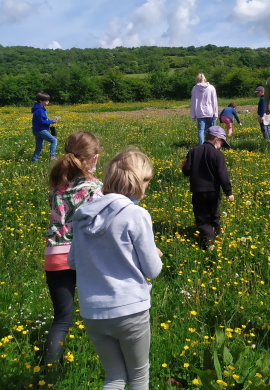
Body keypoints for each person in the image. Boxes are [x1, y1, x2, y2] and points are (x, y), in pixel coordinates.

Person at [68, 147, 163, 390]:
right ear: (138, 182)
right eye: (147, 182)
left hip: (92, 313)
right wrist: (155, 253)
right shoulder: (136, 215)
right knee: (139, 376)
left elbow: (73, 262)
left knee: (114, 377)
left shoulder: (82, 216)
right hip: (130, 310)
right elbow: (152, 269)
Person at [44, 131, 102, 365]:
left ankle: (48, 371)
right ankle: (103, 361)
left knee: (61, 319)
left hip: (54, 257)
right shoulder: (95, 188)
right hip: (84, 256)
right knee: (98, 310)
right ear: (94, 158)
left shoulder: (56, 188)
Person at [181, 126, 234, 248]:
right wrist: (228, 192)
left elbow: (185, 169)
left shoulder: (193, 151)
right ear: (216, 139)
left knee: (202, 217)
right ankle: (216, 236)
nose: (221, 146)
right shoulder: (218, 155)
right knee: (214, 214)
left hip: (198, 191)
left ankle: (210, 241)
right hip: (214, 192)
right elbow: (223, 175)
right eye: (222, 142)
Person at [190, 73, 218, 145]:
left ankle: (201, 146)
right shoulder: (211, 88)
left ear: (197, 79)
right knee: (212, 131)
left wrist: (193, 115)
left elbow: (193, 102)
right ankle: (212, 145)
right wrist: (215, 113)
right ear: (204, 79)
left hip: (199, 113)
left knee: (201, 131)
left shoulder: (195, 88)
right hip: (210, 112)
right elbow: (214, 101)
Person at [32, 92, 58, 162]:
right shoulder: (40, 110)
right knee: (54, 140)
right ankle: (52, 156)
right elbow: (42, 121)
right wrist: (51, 121)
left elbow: (42, 120)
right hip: (41, 130)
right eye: (46, 100)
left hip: (36, 130)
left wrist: (49, 121)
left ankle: (34, 160)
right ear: (41, 101)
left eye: (48, 100)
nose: (48, 102)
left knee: (39, 146)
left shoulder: (39, 109)